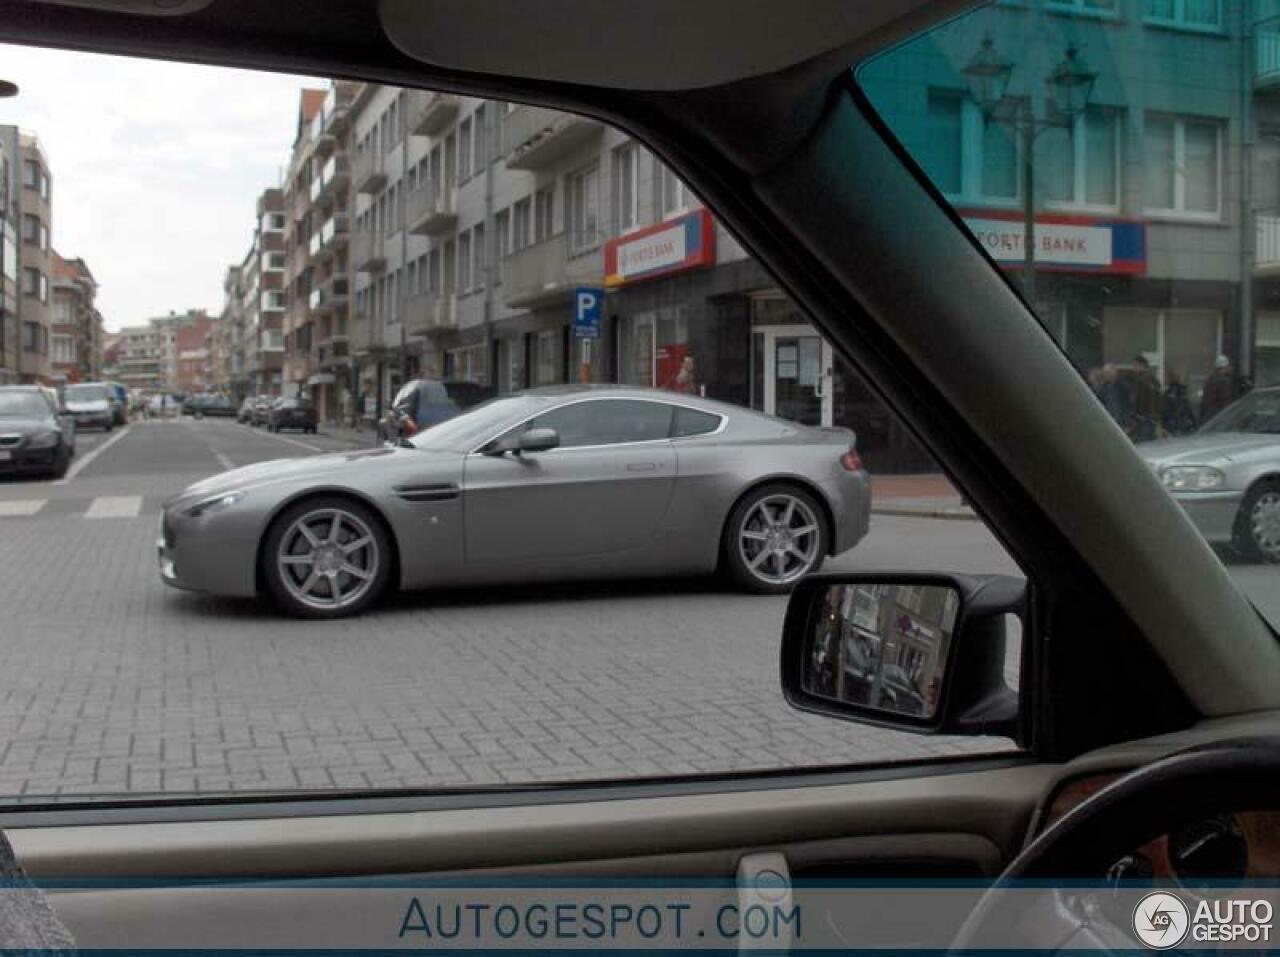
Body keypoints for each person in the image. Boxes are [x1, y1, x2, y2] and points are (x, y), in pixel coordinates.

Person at [1127, 355, 1162, 442]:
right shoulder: (1144, 379)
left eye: (1135, 365)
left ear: (1141, 365)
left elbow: (1151, 399)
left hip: (1145, 419)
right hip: (1144, 418)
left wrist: (1148, 415)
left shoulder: (1145, 380)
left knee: (1145, 444)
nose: (1134, 368)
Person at [1200, 355, 1236, 425]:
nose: (1231, 368)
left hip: (1208, 416)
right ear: (1225, 367)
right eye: (1229, 366)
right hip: (1219, 417)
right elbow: (1225, 400)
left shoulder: (1210, 379)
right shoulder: (1224, 381)